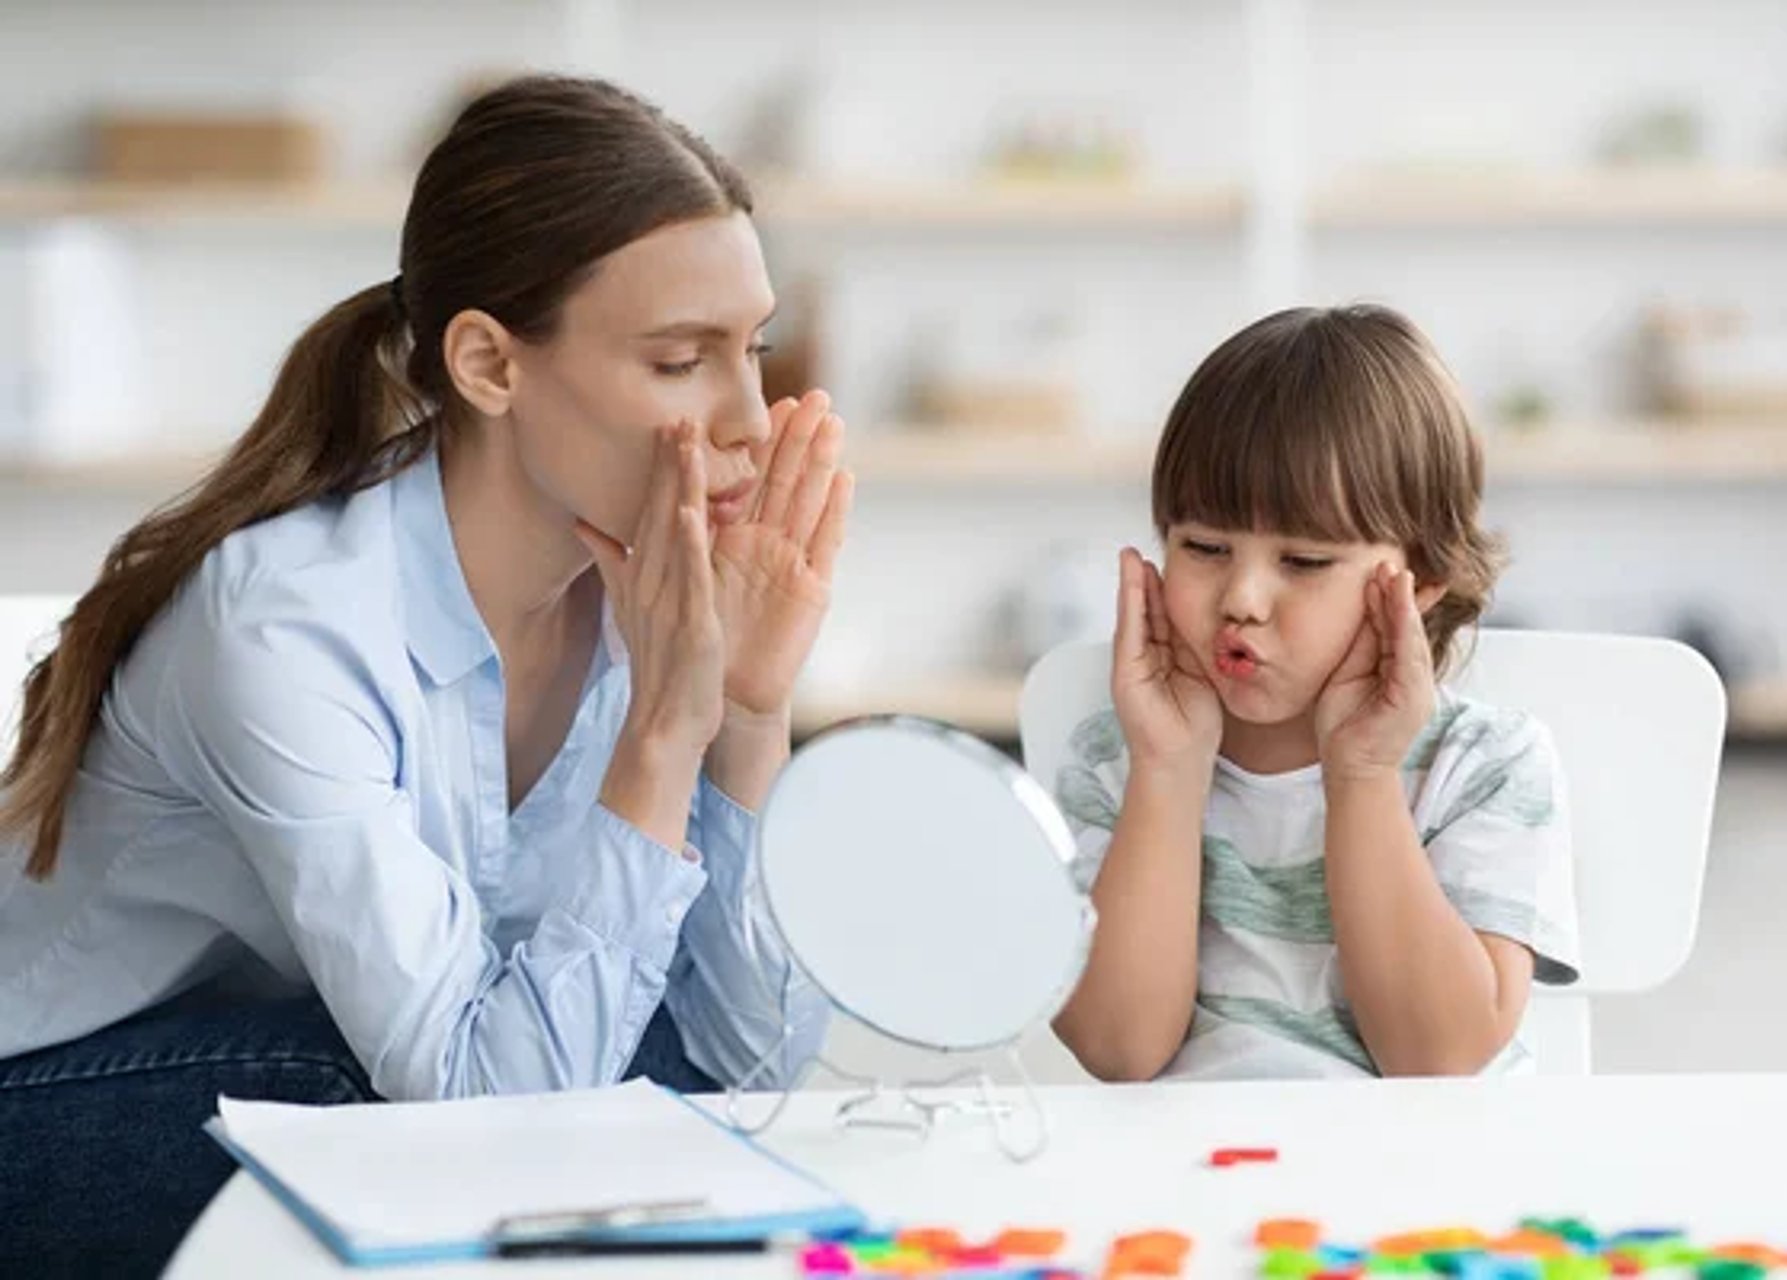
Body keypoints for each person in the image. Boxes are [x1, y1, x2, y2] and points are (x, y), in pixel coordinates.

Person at [0, 75, 849, 1275]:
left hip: (365, 1074)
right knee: (372, 1090)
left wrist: (750, 716)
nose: (751, 422)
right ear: (490, 364)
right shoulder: (287, 628)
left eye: (750, 351)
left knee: (627, 1052)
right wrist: (667, 727)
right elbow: (479, 1104)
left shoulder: (641, 591)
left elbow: (747, 1061)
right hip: (49, 1104)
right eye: (679, 361)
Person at [1050, 305, 1579, 1083]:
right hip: (1193, 1176)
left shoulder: (1488, 765)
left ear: (1422, 581)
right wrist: (1167, 769)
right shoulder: (1117, 758)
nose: (1243, 598)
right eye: (1203, 547)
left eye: (1302, 560)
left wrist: (1362, 775)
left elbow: (1437, 1061)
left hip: (1422, 1180)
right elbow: (1120, 1050)